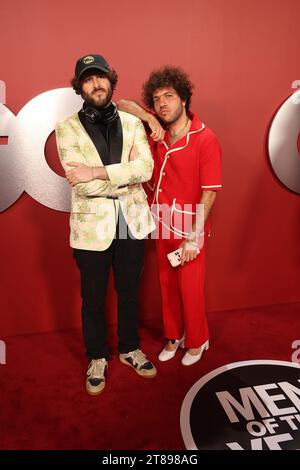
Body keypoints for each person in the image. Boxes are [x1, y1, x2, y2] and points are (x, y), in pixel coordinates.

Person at [55, 54, 157, 396]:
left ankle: (129, 348)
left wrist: (98, 172)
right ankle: (97, 356)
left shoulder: (131, 122)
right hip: (90, 228)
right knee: (93, 298)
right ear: (79, 87)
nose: (96, 83)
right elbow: (79, 184)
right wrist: (122, 177)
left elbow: (145, 169)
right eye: (88, 79)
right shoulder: (66, 127)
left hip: (132, 221)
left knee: (129, 292)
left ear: (111, 81)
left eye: (100, 77)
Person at [117, 66, 222, 366]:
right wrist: (148, 117)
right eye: (156, 98)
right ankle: (174, 336)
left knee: (190, 288)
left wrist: (193, 236)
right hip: (160, 220)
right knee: (167, 287)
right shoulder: (155, 132)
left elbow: (210, 192)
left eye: (169, 96)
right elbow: (121, 103)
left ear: (184, 100)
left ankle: (198, 340)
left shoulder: (205, 138)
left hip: (190, 223)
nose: (162, 103)